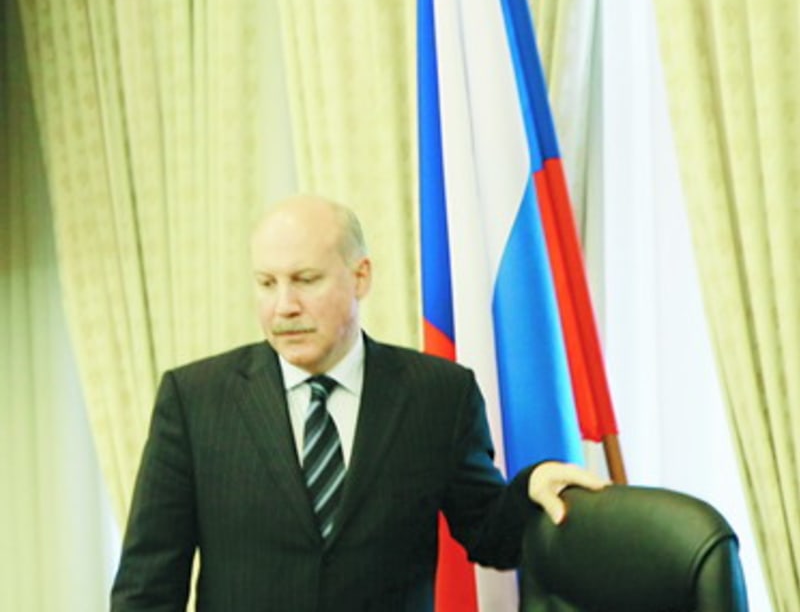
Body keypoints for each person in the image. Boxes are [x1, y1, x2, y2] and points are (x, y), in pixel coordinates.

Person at [111, 194, 607, 611]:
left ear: (360, 277)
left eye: (306, 279)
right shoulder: (195, 400)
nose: (284, 306)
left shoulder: (438, 395)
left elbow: (490, 535)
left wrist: (531, 486)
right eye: (266, 283)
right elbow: (148, 584)